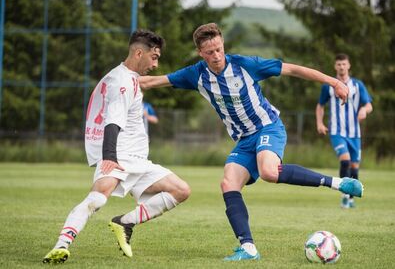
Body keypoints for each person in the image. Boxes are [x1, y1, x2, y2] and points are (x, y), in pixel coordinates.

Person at [139, 23, 364, 261]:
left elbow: (294, 70)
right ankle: (248, 248)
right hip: (244, 140)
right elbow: (151, 82)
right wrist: (121, 77)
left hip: (268, 127)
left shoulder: (245, 65)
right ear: (200, 53)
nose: (216, 56)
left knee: (268, 171)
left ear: (222, 44)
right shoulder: (196, 74)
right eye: (209, 52)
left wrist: (334, 82)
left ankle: (339, 183)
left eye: (218, 49)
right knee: (228, 183)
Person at [42, 30, 190, 264]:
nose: (156, 63)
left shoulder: (125, 77)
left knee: (181, 190)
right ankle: (61, 245)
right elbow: (113, 121)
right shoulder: (123, 82)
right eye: (154, 57)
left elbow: (140, 93)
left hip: (138, 160)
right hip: (120, 155)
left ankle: (125, 222)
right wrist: (109, 156)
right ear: (139, 52)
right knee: (98, 198)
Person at [316, 53, 372, 209]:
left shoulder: (357, 85)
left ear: (349, 65)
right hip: (336, 131)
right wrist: (320, 123)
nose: (341, 67)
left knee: (354, 167)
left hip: (354, 133)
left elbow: (368, 104)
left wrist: (364, 110)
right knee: (345, 160)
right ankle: (344, 194)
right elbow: (320, 106)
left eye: (344, 64)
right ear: (335, 66)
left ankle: (351, 198)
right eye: (339, 64)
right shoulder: (328, 86)